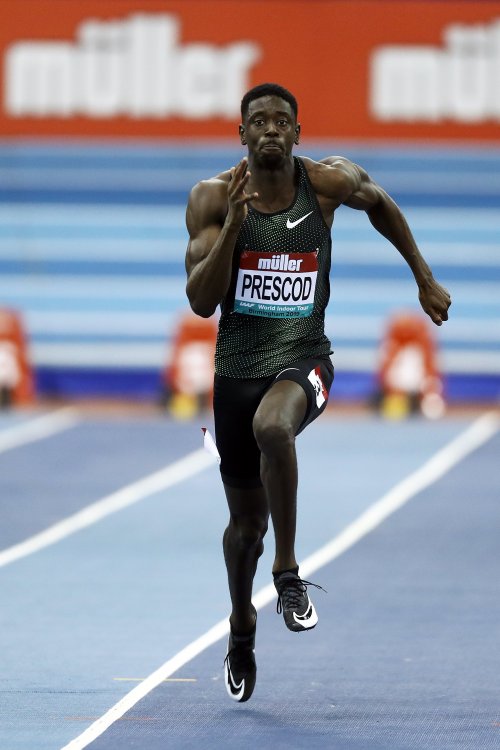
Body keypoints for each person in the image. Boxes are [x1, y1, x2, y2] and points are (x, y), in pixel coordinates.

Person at [184, 82, 451, 702]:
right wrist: (235, 227)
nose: (271, 129)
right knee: (243, 530)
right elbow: (200, 302)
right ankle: (242, 622)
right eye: (259, 121)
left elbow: (379, 202)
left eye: (282, 121)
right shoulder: (212, 198)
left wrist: (423, 277)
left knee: (274, 427)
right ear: (242, 134)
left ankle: (288, 572)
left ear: (297, 133)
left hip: (305, 358)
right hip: (236, 372)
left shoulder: (326, 183)